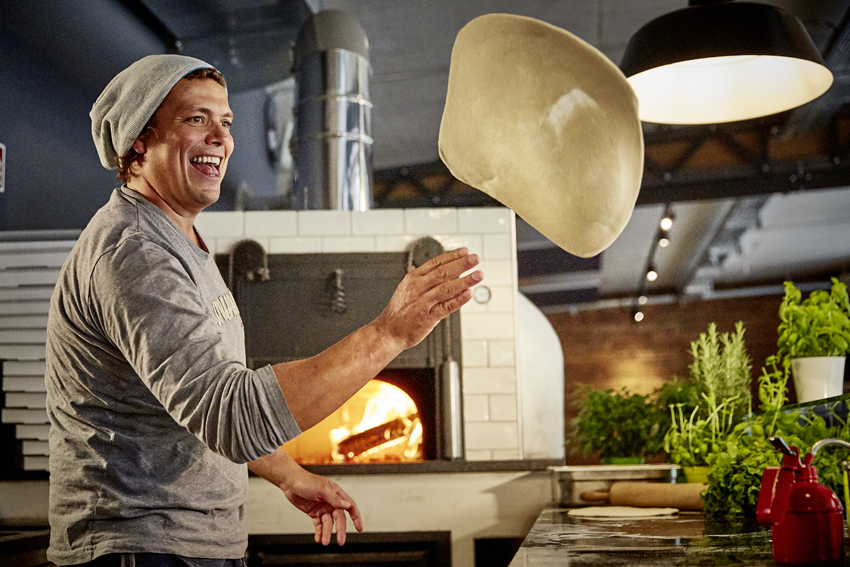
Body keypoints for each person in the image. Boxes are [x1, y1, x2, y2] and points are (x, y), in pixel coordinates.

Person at [45, 54, 482, 567]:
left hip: (182, 545)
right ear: (139, 138)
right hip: (139, 547)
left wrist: (289, 474)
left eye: (226, 122)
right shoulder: (135, 254)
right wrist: (389, 334)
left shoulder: (178, 240)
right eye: (196, 119)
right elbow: (232, 414)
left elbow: (203, 402)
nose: (221, 138)